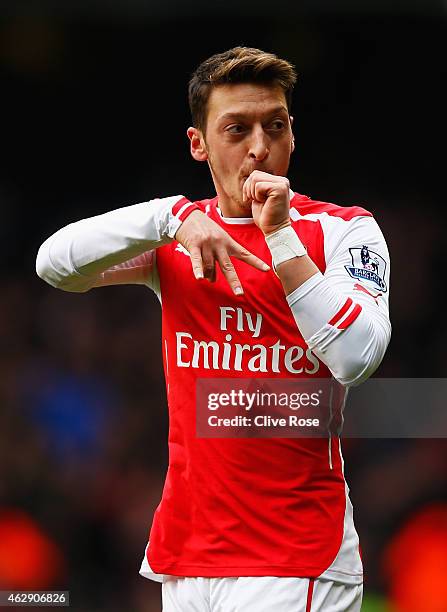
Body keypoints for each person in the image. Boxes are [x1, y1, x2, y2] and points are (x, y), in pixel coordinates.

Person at [36, 47, 391, 612]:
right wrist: (169, 218)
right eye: (236, 129)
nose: (258, 146)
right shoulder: (177, 238)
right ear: (198, 144)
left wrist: (280, 237)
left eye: (274, 126)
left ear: (292, 134)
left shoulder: (344, 231)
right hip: (187, 556)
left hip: (293, 560)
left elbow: (357, 358)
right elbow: (54, 265)